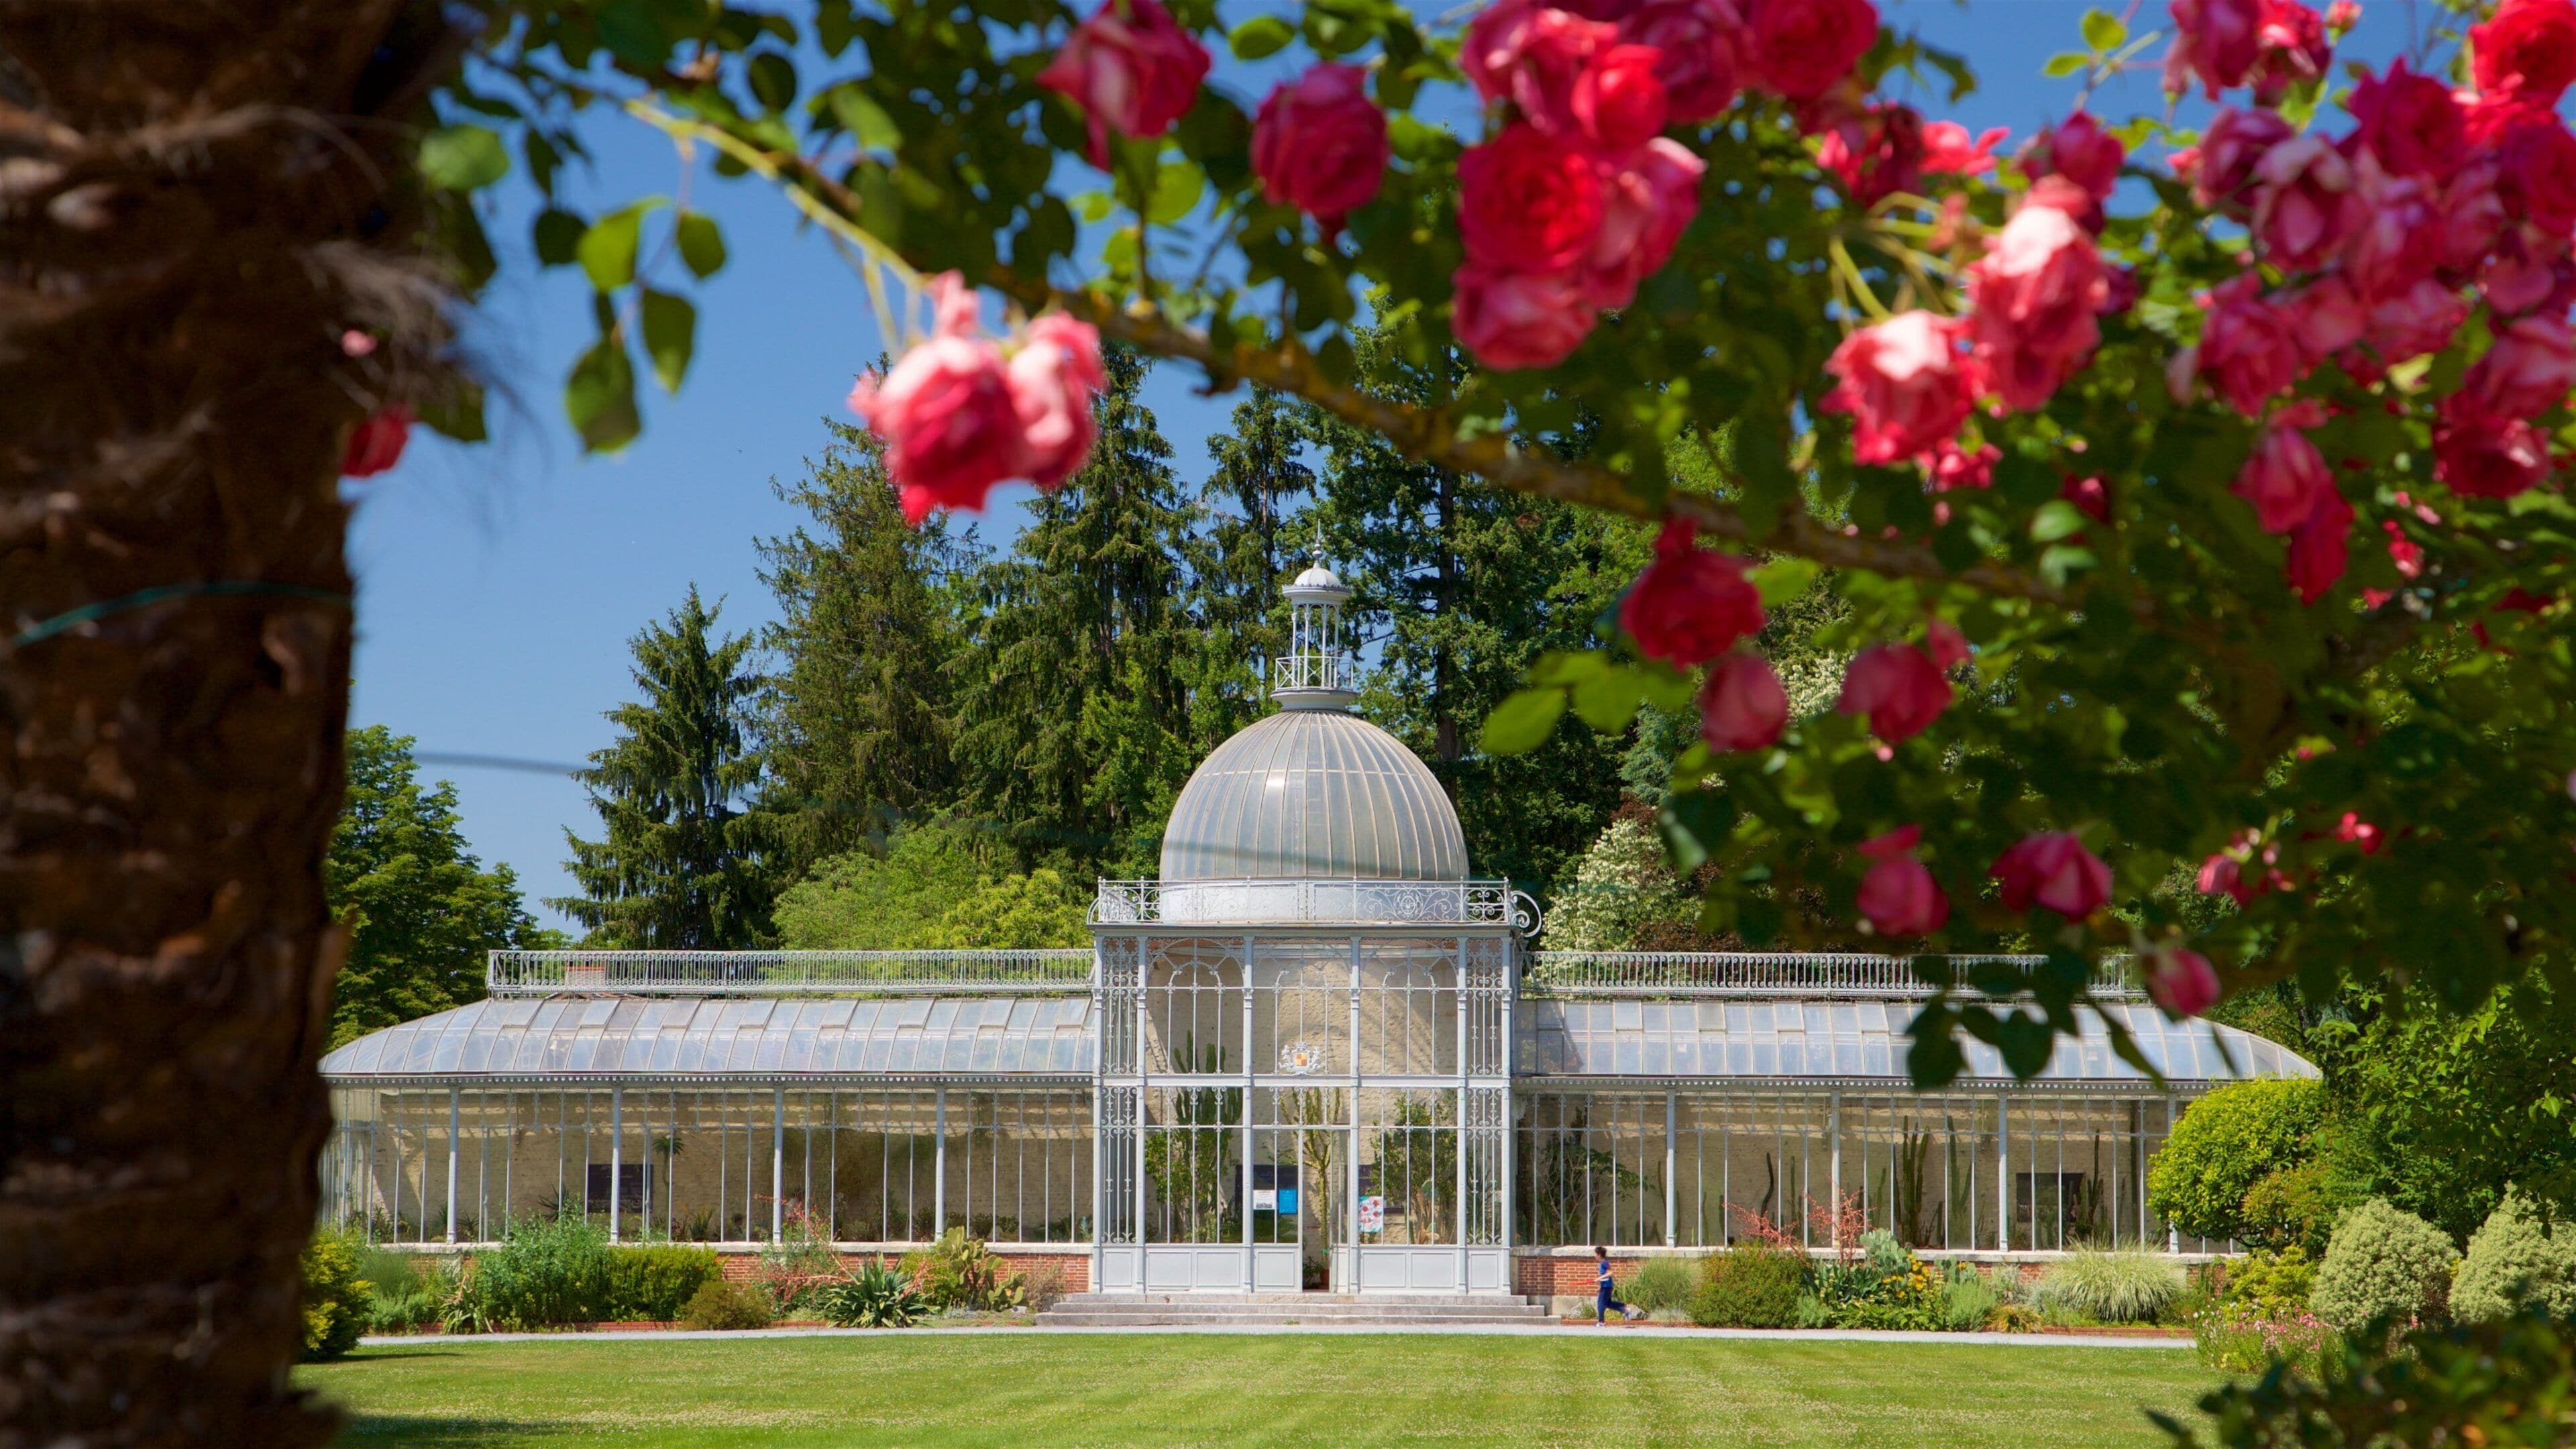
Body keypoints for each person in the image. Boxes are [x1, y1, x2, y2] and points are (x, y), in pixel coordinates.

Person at [1593, 1246, 1642, 1324]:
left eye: (1595, 1254)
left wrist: (1599, 1278)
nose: (1594, 1255)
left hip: (1606, 1287)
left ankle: (1601, 1322)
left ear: (1599, 1255)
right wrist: (1600, 1283)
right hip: (1606, 1286)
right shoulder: (1603, 1263)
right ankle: (1625, 1309)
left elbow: (1611, 1273)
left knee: (1601, 1304)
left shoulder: (1604, 1263)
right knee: (1608, 1304)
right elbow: (1607, 1276)